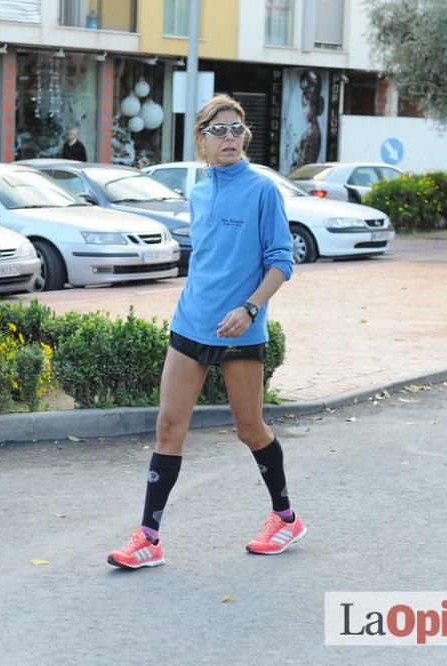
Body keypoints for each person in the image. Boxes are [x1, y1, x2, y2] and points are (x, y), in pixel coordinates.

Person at [106, 94, 305, 569]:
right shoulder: (198, 191)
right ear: (201, 140)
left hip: (241, 329)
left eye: (237, 129)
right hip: (191, 323)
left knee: (249, 429)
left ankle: (286, 517)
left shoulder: (262, 191)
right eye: (219, 130)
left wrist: (250, 308)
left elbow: (281, 261)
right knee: (169, 427)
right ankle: (149, 537)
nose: (230, 137)